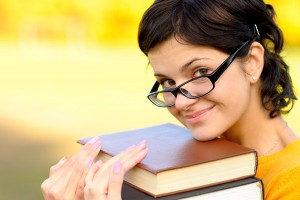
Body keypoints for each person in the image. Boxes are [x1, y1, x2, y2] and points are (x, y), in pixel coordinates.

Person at [41, 0, 300, 199]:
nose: (180, 103)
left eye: (201, 72)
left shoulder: (292, 181)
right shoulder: (194, 162)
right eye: (168, 82)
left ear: (253, 62)